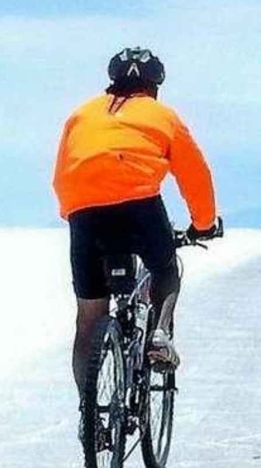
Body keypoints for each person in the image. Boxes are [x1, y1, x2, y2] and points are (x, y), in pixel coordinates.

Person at [53, 47, 222, 406]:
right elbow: (195, 175)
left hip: (84, 212)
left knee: (88, 317)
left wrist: (74, 212)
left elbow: (61, 173)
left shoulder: (81, 114)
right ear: (154, 86)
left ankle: (90, 413)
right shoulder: (163, 115)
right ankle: (160, 333)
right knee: (165, 269)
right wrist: (203, 224)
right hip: (138, 204)